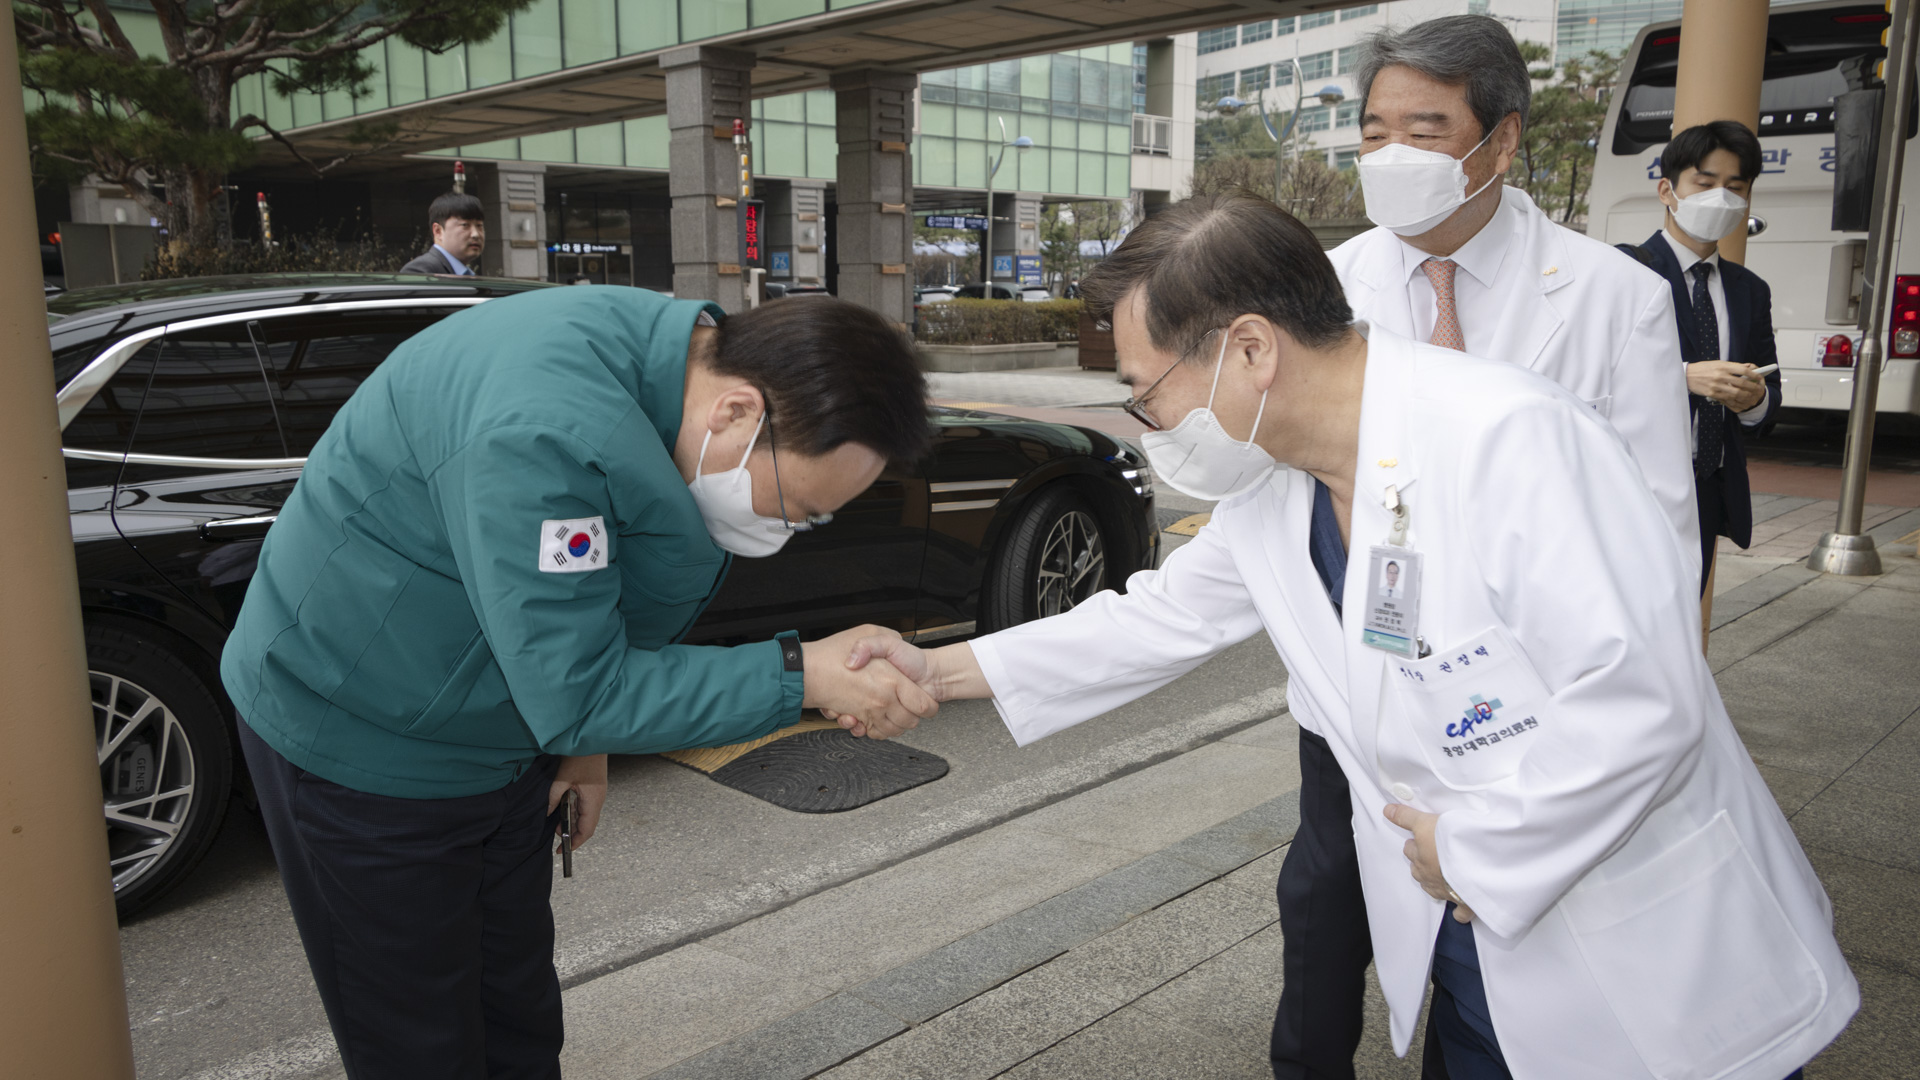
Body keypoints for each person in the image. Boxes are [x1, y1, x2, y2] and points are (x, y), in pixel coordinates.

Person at [833, 193, 1855, 1080]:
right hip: (1468, 957)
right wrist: (936, 667)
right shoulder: (1279, 492)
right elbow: (1157, 619)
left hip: (1643, 956)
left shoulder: (1511, 437)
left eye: (1147, 392)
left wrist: (1477, 851)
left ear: (1249, 349)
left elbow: (1645, 699)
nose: (1150, 420)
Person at [221, 286, 939, 1080]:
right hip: (362, 738)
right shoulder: (543, 431)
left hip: (497, 723)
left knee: (517, 1014)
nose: (788, 531)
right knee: (420, 1041)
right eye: (799, 508)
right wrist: (804, 674)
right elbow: (578, 690)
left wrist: (585, 749)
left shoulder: (673, 362)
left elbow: (583, 628)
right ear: (735, 413)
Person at [1294, 18, 1698, 1076]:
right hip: (1365, 693)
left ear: (1502, 140)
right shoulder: (1324, 289)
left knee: (1503, 947)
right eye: (1374, 130)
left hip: (1525, 703)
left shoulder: (1614, 297)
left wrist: (1649, 691)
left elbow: (1658, 526)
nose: (1391, 155)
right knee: (1325, 905)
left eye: (1424, 128)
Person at [1631, 121, 1781, 622]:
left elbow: (1769, 399)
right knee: (1626, 624)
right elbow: (1589, 378)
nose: (1720, 196)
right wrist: (1682, 376)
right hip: (1634, 486)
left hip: (1707, 490)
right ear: (1667, 189)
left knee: (1679, 624)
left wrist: (1753, 399)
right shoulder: (1624, 272)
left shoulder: (1749, 289)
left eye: (1735, 187)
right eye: (1705, 181)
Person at [401, 191, 486, 276]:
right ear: (438, 231)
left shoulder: (467, 274)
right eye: (465, 225)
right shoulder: (420, 271)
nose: (475, 234)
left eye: (479, 226)